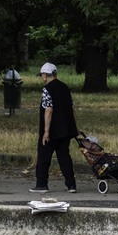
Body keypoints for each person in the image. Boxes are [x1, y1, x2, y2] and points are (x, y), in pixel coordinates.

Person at [31, 62, 79, 193]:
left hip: (52, 130)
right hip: (65, 130)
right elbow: (71, 108)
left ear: (45, 75)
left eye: (42, 75)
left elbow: (48, 110)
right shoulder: (65, 87)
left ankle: (41, 184)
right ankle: (71, 185)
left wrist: (46, 131)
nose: (42, 78)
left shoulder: (47, 89)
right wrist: (75, 126)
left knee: (44, 156)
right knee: (64, 156)